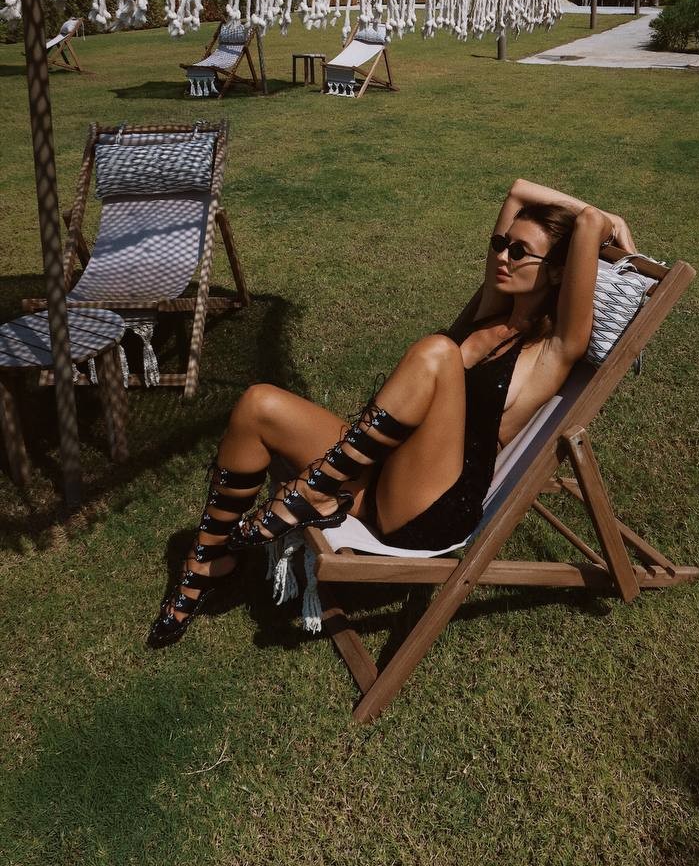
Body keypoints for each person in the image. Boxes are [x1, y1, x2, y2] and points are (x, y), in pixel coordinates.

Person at [147, 179, 636, 647]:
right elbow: (517, 190)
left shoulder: (552, 351)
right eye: (500, 245)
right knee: (259, 403)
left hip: (435, 507)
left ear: (557, 272)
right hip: (379, 470)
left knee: (439, 352)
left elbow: (589, 222)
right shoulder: (491, 309)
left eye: (519, 251)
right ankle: (208, 560)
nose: (503, 257)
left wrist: (606, 221)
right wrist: (587, 219)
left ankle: (314, 490)